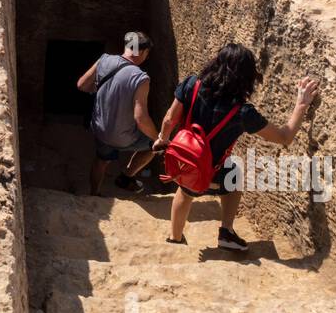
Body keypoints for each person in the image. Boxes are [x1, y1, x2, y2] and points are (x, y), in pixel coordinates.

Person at [155, 43, 320, 250]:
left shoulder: (191, 85)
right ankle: (226, 231)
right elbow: (284, 137)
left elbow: (170, 119)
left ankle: (175, 238)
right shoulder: (243, 112)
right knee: (235, 174)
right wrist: (301, 104)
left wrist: (162, 139)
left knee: (186, 190)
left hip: (184, 161)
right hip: (212, 172)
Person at [78, 31, 160, 195]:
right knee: (153, 147)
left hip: (100, 130)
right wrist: (158, 138)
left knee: (101, 160)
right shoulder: (141, 78)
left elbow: (82, 85)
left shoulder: (104, 59)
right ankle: (126, 176)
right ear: (142, 52)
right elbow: (140, 118)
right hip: (122, 137)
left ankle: (94, 194)